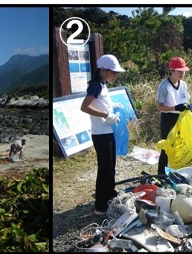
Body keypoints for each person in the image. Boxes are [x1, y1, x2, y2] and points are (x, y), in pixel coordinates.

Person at [80, 54, 127, 216]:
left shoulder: (102, 84)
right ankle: (100, 206)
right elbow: (85, 107)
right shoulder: (95, 85)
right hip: (100, 133)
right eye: (113, 72)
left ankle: (110, 194)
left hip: (107, 131)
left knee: (110, 166)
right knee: (104, 168)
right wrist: (105, 115)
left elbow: (101, 102)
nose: (116, 75)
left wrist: (112, 106)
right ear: (102, 70)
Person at [156, 57, 192, 176]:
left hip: (181, 118)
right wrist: (175, 108)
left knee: (181, 145)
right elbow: (160, 107)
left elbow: (185, 99)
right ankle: (161, 173)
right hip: (168, 118)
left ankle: (178, 170)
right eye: (179, 71)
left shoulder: (183, 84)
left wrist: (188, 106)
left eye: (183, 71)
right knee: (167, 146)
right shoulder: (164, 86)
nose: (182, 73)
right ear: (172, 71)